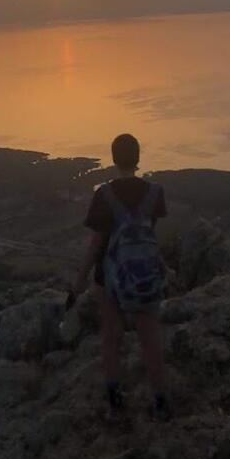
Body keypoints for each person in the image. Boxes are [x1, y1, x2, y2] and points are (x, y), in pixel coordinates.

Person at [71, 133, 171, 422]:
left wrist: (78, 284)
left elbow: (96, 246)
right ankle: (160, 401)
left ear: (114, 159)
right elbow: (148, 235)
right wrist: (163, 267)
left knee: (111, 338)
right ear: (138, 157)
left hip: (109, 279)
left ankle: (115, 399)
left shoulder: (104, 195)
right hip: (146, 276)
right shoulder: (155, 193)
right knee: (150, 339)